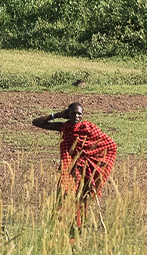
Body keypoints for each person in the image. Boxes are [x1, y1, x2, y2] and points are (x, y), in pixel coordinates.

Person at [32, 102, 117, 238]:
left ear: (83, 115)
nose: (76, 116)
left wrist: (91, 160)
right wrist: (58, 115)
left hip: (86, 171)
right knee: (62, 196)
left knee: (82, 201)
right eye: (73, 113)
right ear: (68, 114)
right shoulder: (64, 127)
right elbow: (36, 122)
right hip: (69, 169)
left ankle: (77, 231)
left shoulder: (89, 128)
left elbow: (110, 145)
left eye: (79, 113)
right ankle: (55, 229)